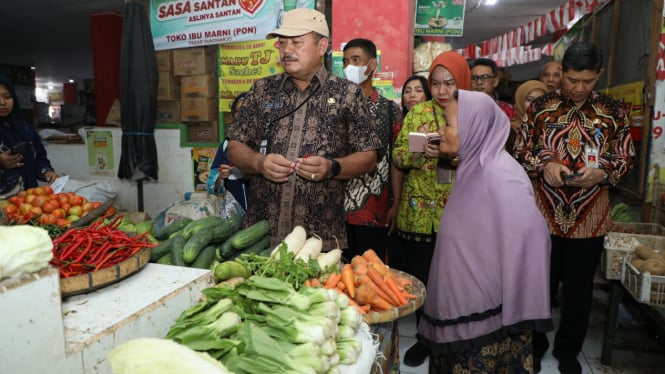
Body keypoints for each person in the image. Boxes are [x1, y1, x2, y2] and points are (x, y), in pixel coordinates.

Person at [516, 42, 635, 374]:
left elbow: (626, 159)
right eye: (571, 80)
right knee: (539, 286)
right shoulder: (540, 107)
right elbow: (521, 151)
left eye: (587, 81)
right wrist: (544, 165)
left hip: (589, 215)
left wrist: (604, 172)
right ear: (562, 72)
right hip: (544, 214)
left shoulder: (614, 112)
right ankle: (536, 347)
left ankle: (568, 351)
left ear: (599, 75)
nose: (578, 88)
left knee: (579, 290)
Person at [417, 89, 553, 374]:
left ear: (474, 127)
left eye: (449, 123)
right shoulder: (473, 166)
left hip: (486, 319)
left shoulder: (501, 176)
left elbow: (532, 240)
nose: (441, 130)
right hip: (463, 306)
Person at [225, 8, 380, 250]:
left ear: (322, 46)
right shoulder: (261, 90)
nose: (287, 50)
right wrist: (259, 163)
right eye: (282, 43)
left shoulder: (347, 94)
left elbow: (369, 156)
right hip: (260, 238)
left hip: (320, 241)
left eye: (297, 42)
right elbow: (234, 145)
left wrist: (332, 167)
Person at [392, 51, 471, 367]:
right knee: (422, 280)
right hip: (418, 213)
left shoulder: (472, 115)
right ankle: (425, 339)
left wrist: (448, 156)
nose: (441, 91)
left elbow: (480, 162)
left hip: (458, 213)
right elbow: (398, 157)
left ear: (460, 83)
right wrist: (419, 152)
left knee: (453, 282)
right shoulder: (418, 113)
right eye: (435, 83)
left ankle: (450, 338)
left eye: (449, 83)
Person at [341, 38, 402, 261]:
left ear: (372, 65)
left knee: (371, 276)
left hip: (375, 211)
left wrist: (396, 202)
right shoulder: (334, 106)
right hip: (336, 211)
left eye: (356, 60)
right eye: (346, 62)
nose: (349, 67)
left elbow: (396, 160)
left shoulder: (389, 111)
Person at [387, 75, 432, 267]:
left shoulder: (441, 120)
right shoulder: (399, 122)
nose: (412, 95)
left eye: (418, 90)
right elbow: (397, 165)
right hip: (404, 201)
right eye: (407, 91)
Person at [0, 75, 58, 198]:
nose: (2, 102)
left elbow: (39, 157)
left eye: (7, 97)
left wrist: (46, 172)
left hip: (28, 202)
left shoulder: (25, 129)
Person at [210, 93, 250, 211]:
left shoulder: (266, 143)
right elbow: (212, 188)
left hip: (261, 214)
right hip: (233, 213)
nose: (241, 114)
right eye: (237, 111)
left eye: (246, 110)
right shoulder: (226, 145)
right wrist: (220, 178)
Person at [507, 80, 547, 151]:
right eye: (529, 99)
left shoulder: (559, 127)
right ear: (520, 103)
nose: (535, 104)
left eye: (541, 99)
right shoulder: (509, 132)